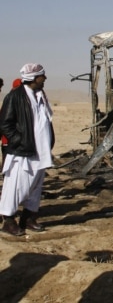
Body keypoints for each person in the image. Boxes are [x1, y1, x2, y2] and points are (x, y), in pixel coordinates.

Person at [0, 64, 54, 236]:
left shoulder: (40, 95)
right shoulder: (15, 96)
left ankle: (28, 218)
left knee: (35, 187)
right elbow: (5, 124)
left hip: (40, 152)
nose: (44, 78)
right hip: (22, 153)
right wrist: (19, 141)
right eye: (42, 76)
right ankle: (8, 221)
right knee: (16, 187)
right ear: (34, 78)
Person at [1, 79, 25, 164]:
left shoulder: (22, 98)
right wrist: (15, 138)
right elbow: (5, 121)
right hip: (9, 139)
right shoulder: (11, 98)